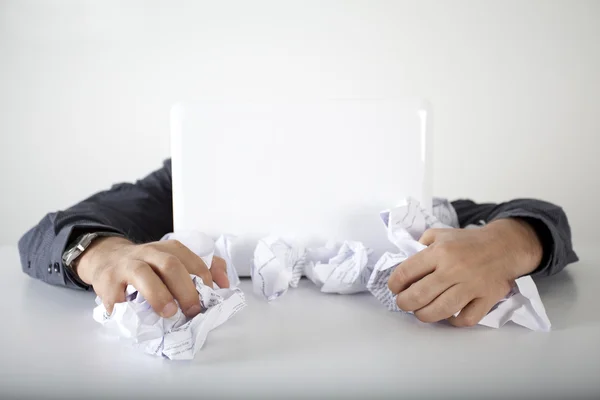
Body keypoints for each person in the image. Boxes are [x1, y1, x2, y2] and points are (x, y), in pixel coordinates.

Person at [18, 159, 578, 327]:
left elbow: (539, 217)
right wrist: (105, 253)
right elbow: (56, 231)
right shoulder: (182, 180)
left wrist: (506, 242)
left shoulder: (376, 177)